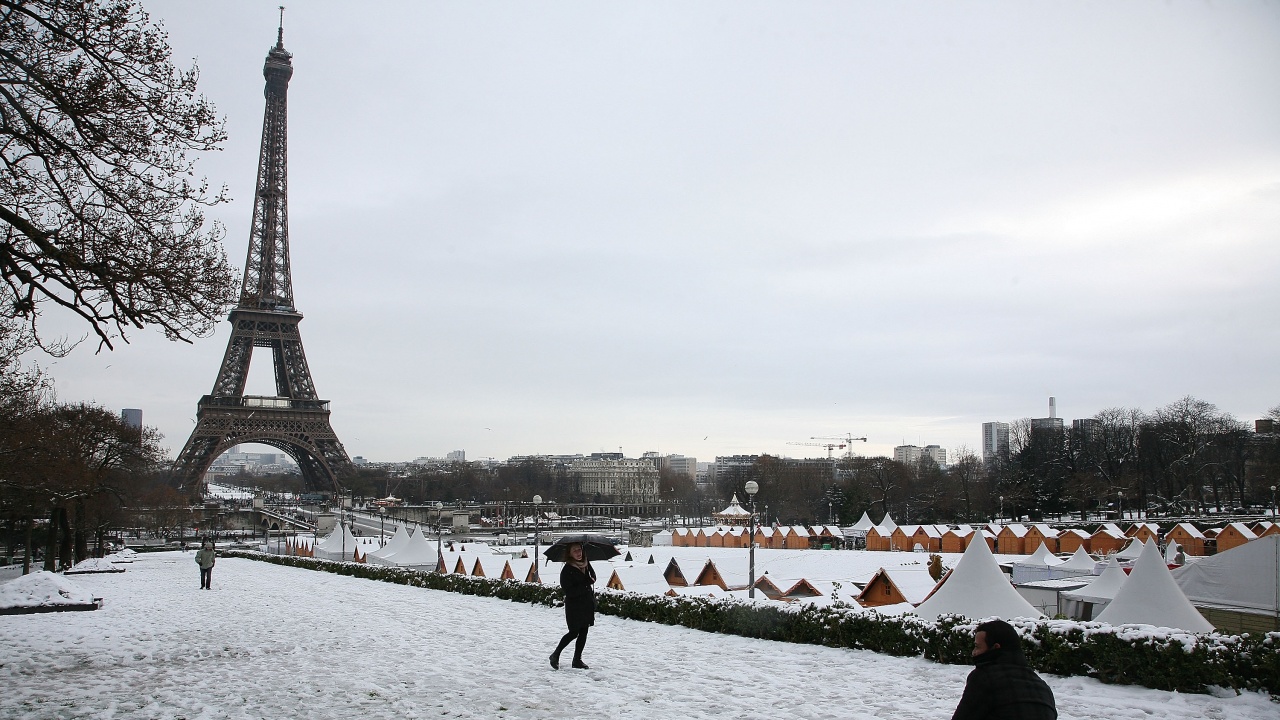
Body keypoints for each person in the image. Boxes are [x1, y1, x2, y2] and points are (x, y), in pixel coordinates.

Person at [952, 619, 1056, 720]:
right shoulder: (1042, 687)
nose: (973, 652)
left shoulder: (985, 677)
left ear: (996, 647)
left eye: (977, 647)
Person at [549, 542, 596, 670]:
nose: (578, 553)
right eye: (575, 550)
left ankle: (577, 660)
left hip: (586, 603)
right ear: (569, 553)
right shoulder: (567, 570)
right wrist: (586, 584)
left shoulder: (586, 563)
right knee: (573, 632)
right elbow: (569, 592)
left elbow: (592, 577)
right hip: (574, 606)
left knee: (584, 631)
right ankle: (555, 654)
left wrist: (591, 579)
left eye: (580, 549)